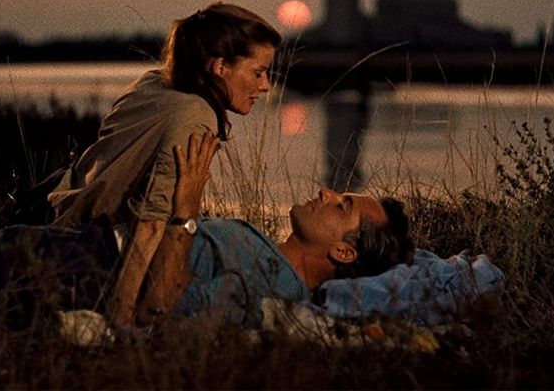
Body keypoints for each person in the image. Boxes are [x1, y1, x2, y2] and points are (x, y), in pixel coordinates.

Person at [47, 3, 282, 326]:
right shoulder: (197, 115)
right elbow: (151, 223)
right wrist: (121, 321)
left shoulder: (153, 83)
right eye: (257, 72)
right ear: (220, 67)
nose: (266, 85)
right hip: (82, 252)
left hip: (53, 225)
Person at [136, 132, 415, 327]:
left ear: (343, 251)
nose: (325, 192)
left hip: (108, 254)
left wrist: (184, 210)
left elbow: (160, 308)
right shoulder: (269, 258)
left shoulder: (273, 286)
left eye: (341, 206)